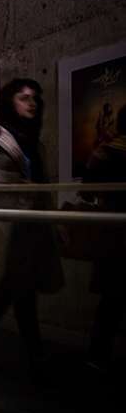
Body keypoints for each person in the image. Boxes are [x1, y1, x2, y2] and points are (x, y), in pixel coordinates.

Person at [0, 78, 64, 373]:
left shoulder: (37, 144)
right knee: (15, 286)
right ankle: (33, 355)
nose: (30, 102)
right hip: (9, 222)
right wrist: (17, 182)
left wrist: (56, 222)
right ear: (9, 102)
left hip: (34, 224)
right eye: (23, 97)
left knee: (18, 288)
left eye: (34, 98)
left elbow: (44, 188)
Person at [82, 104, 126, 371]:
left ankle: (97, 356)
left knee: (112, 298)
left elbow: (87, 191)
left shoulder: (105, 152)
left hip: (112, 231)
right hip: (115, 231)